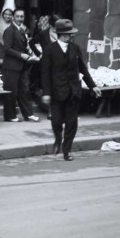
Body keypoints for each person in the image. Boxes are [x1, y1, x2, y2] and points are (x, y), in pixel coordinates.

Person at [40, 19, 102, 161]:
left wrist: (93, 85)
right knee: (56, 122)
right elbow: (45, 73)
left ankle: (66, 150)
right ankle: (57, 139)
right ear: (61, 34)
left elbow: (82, 68)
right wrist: (47, 93)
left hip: (73, 91)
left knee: (72, 123)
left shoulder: (75, 48)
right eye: (68, 34)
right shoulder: (49, 50)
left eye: (71, 34)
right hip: (56, 93)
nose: (70, 36)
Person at [2, 8, 40, 122]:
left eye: (21, 16)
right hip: (11, 66)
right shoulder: (9, 30)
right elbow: (7, 49)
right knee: (11, 92)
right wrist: (21, 55)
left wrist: (29, 54)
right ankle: (10, 116)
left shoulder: (22, 30)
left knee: (24, 90)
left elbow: (23, 46)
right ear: (13, 17)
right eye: (17, 16)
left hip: (22, 65)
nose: (19, 19)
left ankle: (28, 114)